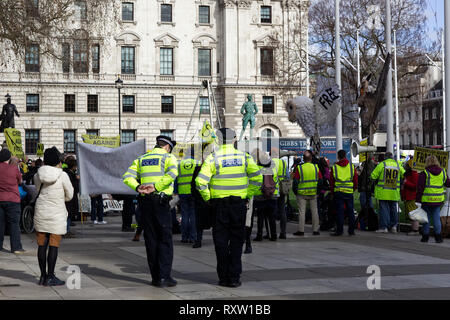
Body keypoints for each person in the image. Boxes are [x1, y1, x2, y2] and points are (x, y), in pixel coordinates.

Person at [195, 128, 262, 288]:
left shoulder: (213, 158)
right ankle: (234, 277)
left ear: (217, 140)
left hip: (219, 206)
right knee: (237, 241)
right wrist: (247, 195)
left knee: (220, 242)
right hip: (238, 205)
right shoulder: (244, 157)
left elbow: (200, 182)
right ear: (234, 140)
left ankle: (223, 277)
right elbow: (257, 178)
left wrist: (208, 198)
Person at [123, 135, 179, 287]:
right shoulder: (168, 157)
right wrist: (157, 186)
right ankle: (164, 276)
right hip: (161, 202)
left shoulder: (141, 159)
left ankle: (155, 277)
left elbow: (127, 176)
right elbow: (172, 174)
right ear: (167, 147)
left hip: (145, 202)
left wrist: (137, 187)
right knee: (164, 239)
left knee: (151, 239)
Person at [34, 147, 74, 286]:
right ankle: (51, 276)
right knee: (53, 245)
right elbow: (69, 195)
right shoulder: (62, 175)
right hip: (56, 213)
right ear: (58, 161)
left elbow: (37, 189)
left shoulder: (37, 175)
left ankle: (42, 276)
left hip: (41, 212)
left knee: (41, 245)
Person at [416, 155, 450, 243]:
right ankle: (438, 237)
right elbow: (448, 183)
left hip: (426, 200)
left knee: (426, 218)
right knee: (436, 218)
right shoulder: (443, 172)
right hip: (438, 200)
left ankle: (425, 237)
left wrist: (418, 200)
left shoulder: (425, 173)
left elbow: (420, 188)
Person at [371, 152, 405, 233]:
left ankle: (384, 227)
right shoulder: (397, 165)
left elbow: (373, 176)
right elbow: (404, 174)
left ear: (385, 157)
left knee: (384, 210)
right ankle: (394, 227)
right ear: (392, 157)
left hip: (383, 192)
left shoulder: (382, 165)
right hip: (394, 192)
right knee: (393, 209)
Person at [0, 148, 26, 254]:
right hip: (12, 199)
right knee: (14, 224)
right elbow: (20, 181)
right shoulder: (14, 168)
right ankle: (15, 247)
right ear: (8, 158)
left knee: (0, 224)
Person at [293, 150, 322, 236]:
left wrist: (295, 191)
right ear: (311, 158)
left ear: (303, 158)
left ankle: (301, 230)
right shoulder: (316, 167)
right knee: (315, 211)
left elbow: (295, 181)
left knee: (302, 212)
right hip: (313, 193)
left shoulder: (300, 168)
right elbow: (320, 181)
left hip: (302, 193)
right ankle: (315, 230)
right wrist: (318, 191)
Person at [252, 149, 279, 241]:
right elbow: (275, 178)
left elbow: (256, 181)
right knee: (271, 216)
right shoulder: (273, 167)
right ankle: (273, 234)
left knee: (261, 217)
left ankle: (259, 235)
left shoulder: (257, 168)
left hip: (260, 195)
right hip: (272, 194)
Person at [330, 150, 358, 236]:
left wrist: (332, 192)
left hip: (339, 192)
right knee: (350, 212)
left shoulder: (334, 167)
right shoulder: (351, 167)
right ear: (345, 156)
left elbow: (332, 182)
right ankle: (351, 231)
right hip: (349, 192)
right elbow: (355, 180)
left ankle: (339, 231)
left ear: (338, 157)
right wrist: (353, 189)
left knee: (340, 212)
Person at [190, 144, 213, 248]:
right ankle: (198, 240)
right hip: (203, 200)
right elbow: (194, 184)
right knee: (199, 222)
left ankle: (199, 240)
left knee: (211, 221)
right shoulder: (198, 169)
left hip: (208, 199)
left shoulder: (204, 168)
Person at [176, 149, 198, 243]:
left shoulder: (180, 164)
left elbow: (176, 179)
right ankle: (193, 237)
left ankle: (184, 237)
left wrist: (176, 191)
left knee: (184, 215)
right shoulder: (197, 163)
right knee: (193, 215)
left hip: (182, 192)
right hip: (193, 192)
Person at [270, 147, 289, 239]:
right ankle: (283, 232)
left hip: (272, 190)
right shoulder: (283, 163)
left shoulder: (269, 163)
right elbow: (287, 177)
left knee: (271, 212)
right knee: (282, 211)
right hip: (282, 189)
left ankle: (272, 233)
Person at [401, 160, 419, 236]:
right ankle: (414, 229)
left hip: (412, 197)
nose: (405, 167)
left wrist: (406, 183)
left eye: (407, 165)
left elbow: (415, 186)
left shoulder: (414, 174)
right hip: (408, 196)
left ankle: (415, 230)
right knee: (411, 214)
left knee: (413, 214)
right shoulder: (408, 174)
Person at [63, 156, 79, 235]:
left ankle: (67, 229)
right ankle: (66, 230)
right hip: (69, 197)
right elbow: (73, 186)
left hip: (69, 196)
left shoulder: (67, 173)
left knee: (68, 213)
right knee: (68, 213)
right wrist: (77, 179)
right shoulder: (70, 174)